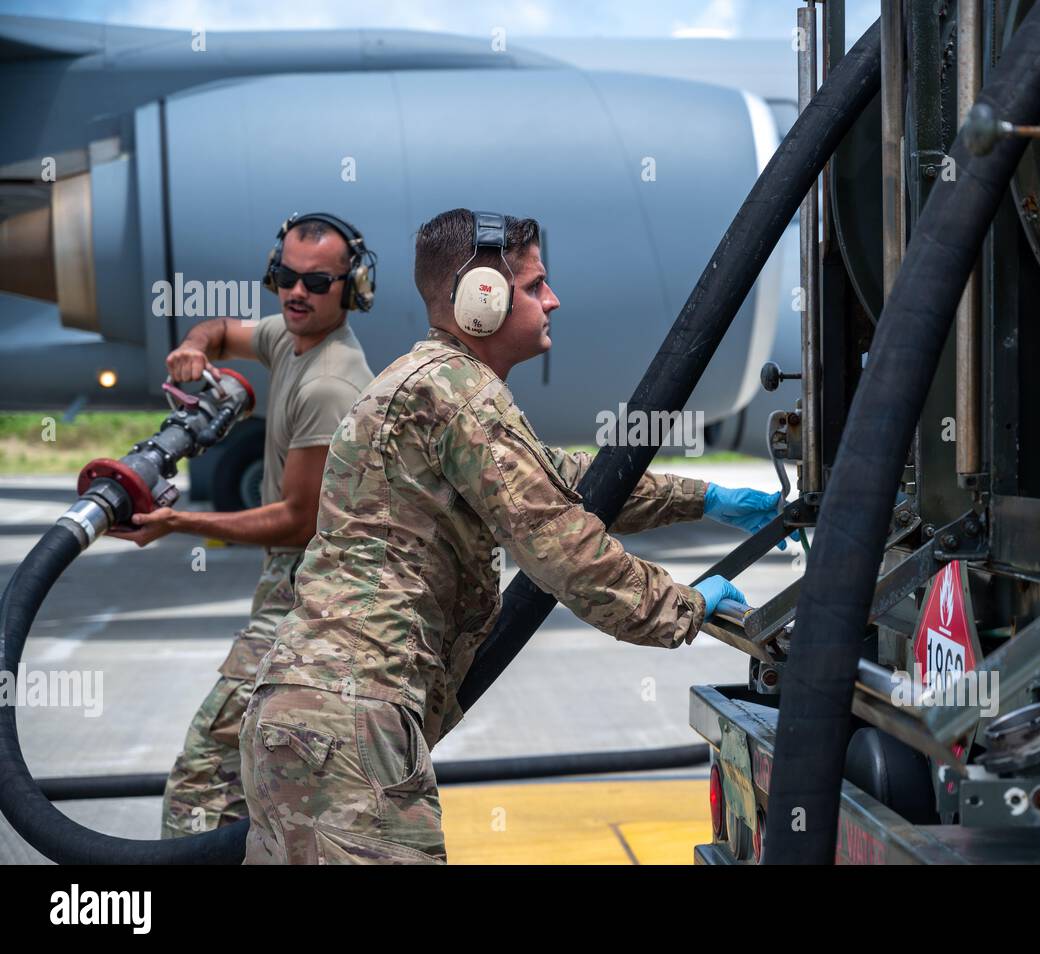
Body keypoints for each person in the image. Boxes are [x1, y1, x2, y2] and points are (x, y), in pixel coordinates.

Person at [239, 208, 781, 863]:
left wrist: (711, 500)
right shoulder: (461, 396)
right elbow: (565, 551)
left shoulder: (432, 384)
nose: (552, 299)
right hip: (351, 722)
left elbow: (562, 483)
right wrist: (684, 606)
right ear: (482, 300)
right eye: (534, 285)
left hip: (308, 716)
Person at [110, 213, 376, 838]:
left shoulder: (331, 383)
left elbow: (294, 520)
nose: (296, 293)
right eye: (284, 276)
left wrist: (178, 522)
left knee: (205, 777)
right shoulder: (290, 336)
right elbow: (226, 331)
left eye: (316, 282)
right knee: (284, 786)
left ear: (352, 288)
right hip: (297, 585)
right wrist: (196, 346)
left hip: (307, 591)